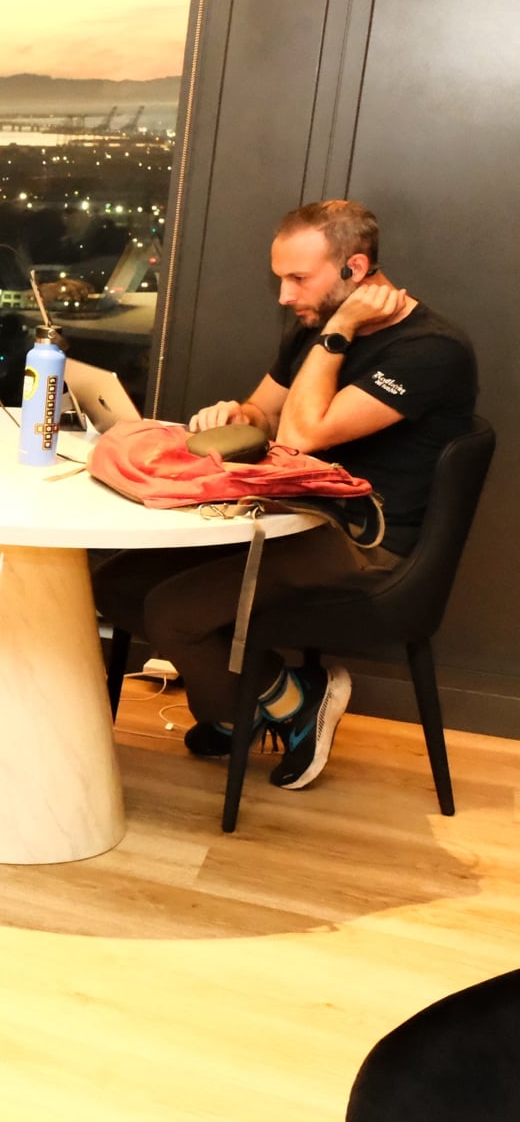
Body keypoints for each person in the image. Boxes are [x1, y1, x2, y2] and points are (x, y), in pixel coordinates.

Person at [95, 200, 476, 790]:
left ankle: (290, 702)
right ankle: (269, 699)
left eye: (298, 278)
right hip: (294, 516)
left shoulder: (429, 350)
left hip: (364, 540)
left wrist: (338, 332)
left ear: (355, 268)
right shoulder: (311, 330)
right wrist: (236, 413)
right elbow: (264, 413)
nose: (283, 295)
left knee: (174, 614)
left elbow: (302, 434)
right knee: (114, 583)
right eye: (280, 278)